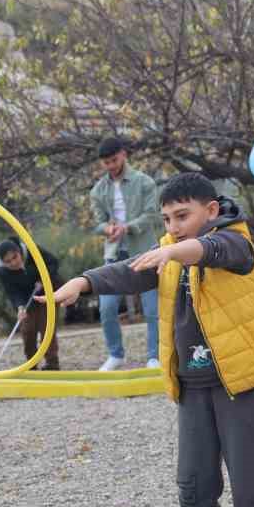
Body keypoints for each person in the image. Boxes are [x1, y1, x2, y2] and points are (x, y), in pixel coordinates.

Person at [43, 173, 254, 507]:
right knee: (193, 486)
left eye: (182, 216)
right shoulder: (170, 251)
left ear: (211, 211)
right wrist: (83, 282)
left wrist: (172, 250)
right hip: (192, 389)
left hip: (240, 385)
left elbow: (208, 249)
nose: (173, 226)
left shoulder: (236, 243)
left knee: (251, 486)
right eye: (167, 219)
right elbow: (129, 271)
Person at [88, 137, 163, 371]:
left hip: (145, 251)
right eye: (106, 162)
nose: (111, 165)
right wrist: (107, 229)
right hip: (114, 254)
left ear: (123, 154)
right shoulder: (98, 190)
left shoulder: (145, 182)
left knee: (153, 309)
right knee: (107, 307)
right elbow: (97, 222)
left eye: (114, 160)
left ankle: (155, 356)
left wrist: (127, 228)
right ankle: (115, 355)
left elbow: (152, 215)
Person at [0, 238, 62, 371]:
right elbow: (13, 292)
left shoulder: (32, 250)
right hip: (27, 299)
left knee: (46, 326)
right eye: (8, 261)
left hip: (48, 292)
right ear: (3, 262)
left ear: (19, 251)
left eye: (15, 257)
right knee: (27, 329)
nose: (13, 263)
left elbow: (53, 262)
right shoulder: (2, 271)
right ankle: (31, 364)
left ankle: (52, 363)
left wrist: (43, 279)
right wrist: (20, 307)